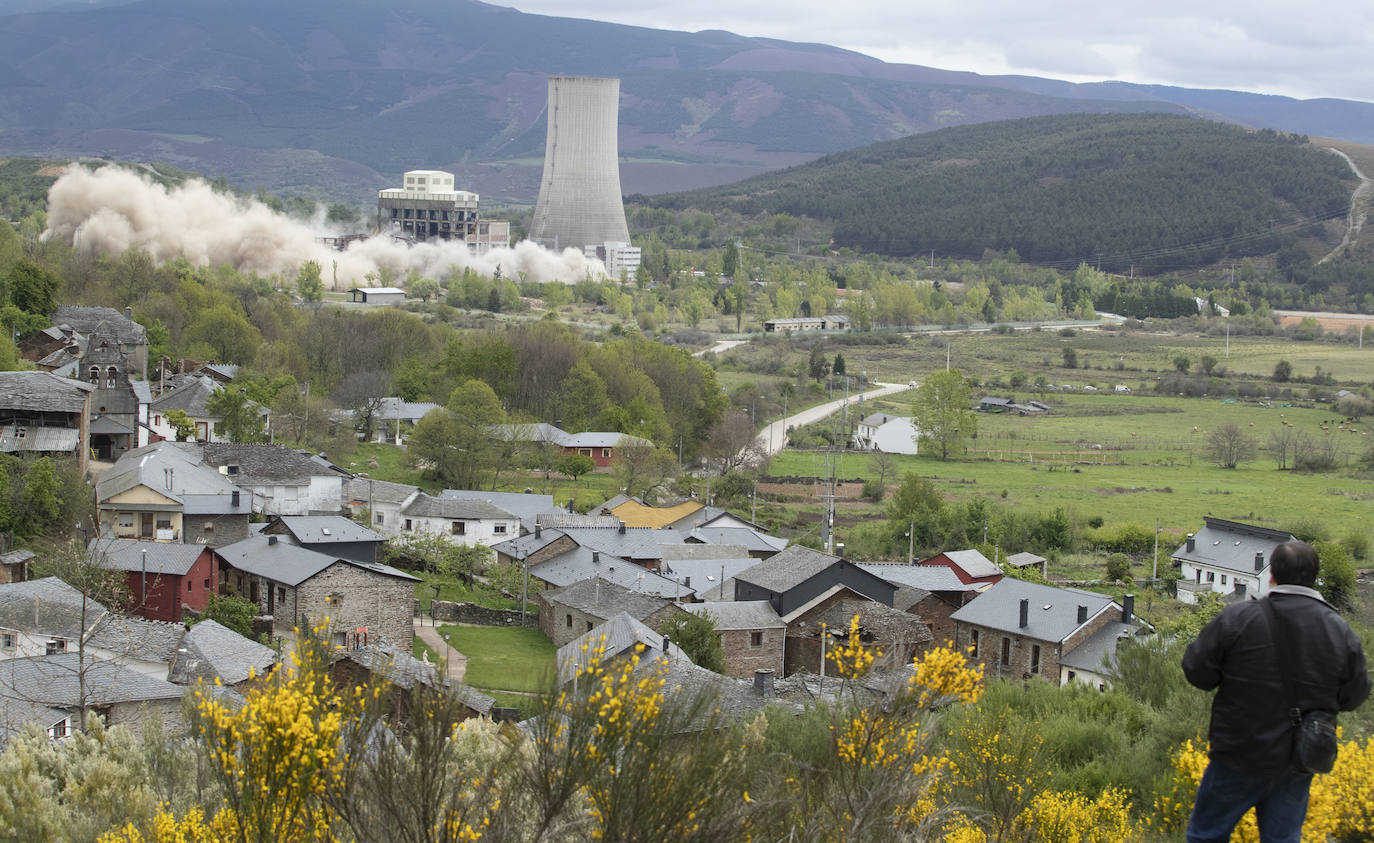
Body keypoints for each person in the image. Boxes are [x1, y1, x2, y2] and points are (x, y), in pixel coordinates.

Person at [1182, 541, 1369, 842]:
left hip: (1237, 754)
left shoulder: (1239, 618)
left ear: (1272, 575)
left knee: (1207, 836)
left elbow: (1196, 671)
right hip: (1298, 759)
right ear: (1314, 577)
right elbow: (1355, 695)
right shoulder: (1339, 630)